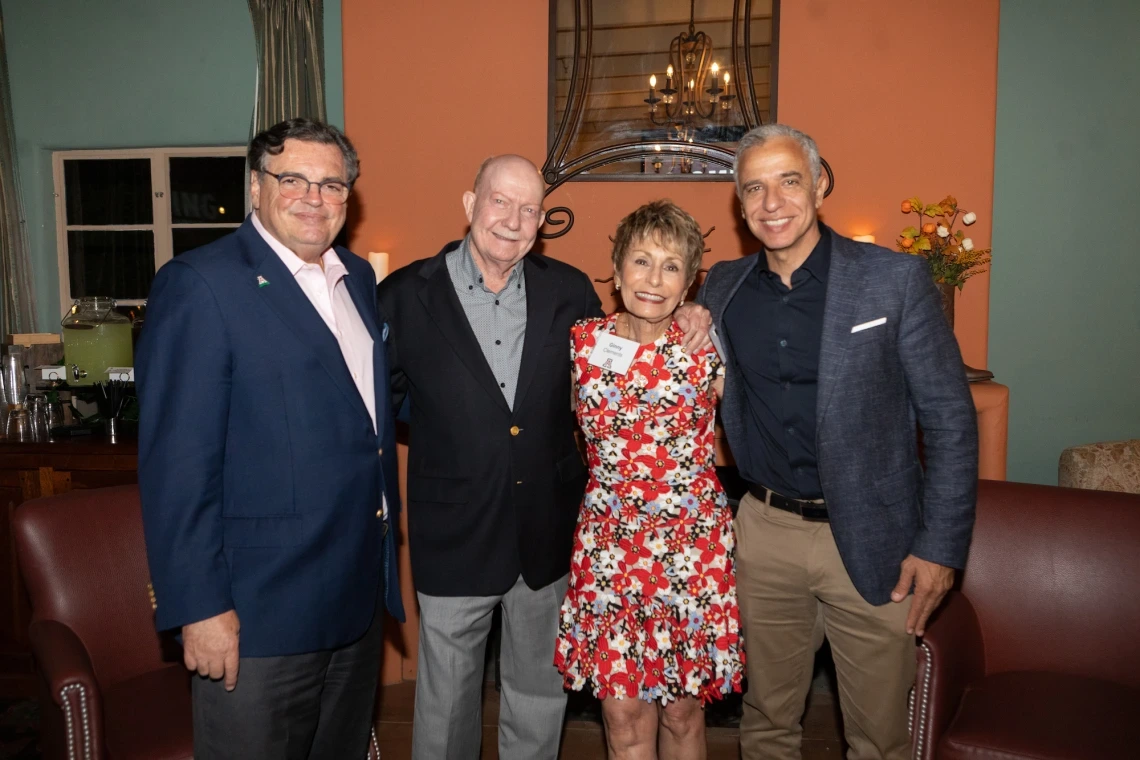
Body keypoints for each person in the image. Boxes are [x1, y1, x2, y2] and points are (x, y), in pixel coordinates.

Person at [377, 156, 711, 760]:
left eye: (529, 209)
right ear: (469, 203)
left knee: (537, 695)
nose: (513, 220)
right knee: (446, 703)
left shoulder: (569, 292)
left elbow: (626, 353)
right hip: (454, 530)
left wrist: (694, 310)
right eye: (500, 202)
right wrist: (458, 437)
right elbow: (384, 405)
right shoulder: (403, 294)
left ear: (541, 223)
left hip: (549, 531)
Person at [697, 124, 978, 760]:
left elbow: (951, 420)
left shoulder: (894, 281)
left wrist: (940, 548)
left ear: (820, 184)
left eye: (789, 182)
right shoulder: (722, 289)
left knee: (879, 738)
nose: (772, 204)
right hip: (764, 532)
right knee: (767, 724)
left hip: (878, 539)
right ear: (740, 205)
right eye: (754, 190)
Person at [136, 118, 403, 759]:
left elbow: (361, 418)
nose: (314, 197)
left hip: (354, 602)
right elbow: (178, 467)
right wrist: (199, 608)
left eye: (331, 184)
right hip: (259, 616)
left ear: (349, 196)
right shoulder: (201, 285)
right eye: (293, 179)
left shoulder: (359, 281)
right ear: (257, 187)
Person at [555, 200, 746, 759]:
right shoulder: (582, 343)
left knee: (684, 715)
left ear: (689, 282)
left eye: (670, 266)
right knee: (622, 715)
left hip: (690, 549)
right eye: (641, 261)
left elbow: (759, 427)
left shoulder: (706, 350)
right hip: (610, 548)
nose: (653, 279)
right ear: (616, 272)